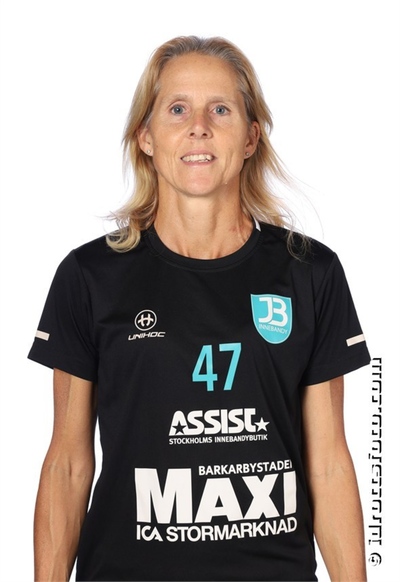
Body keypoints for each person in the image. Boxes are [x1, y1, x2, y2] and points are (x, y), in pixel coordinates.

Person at [29, 36, 370, 581]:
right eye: (177, 109)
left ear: (251, 137)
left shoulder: (310, 273)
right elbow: (68, 465)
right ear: (145, 136)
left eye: (221, 110)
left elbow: (329, 464)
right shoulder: (89, 277)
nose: (199, 128)